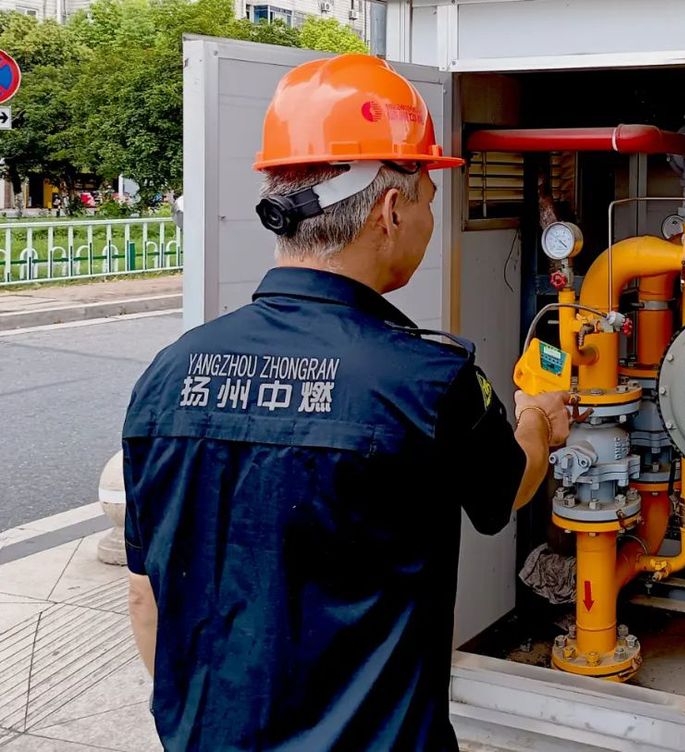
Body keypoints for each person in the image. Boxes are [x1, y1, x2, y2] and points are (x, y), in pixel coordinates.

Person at [122, 54, 570, 751]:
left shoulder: (167, 374)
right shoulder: (428, 380)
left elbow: (146, 594)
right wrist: (539, 418)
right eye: (427, 200)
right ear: (390, 210)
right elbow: (506, 489)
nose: (428, 219)